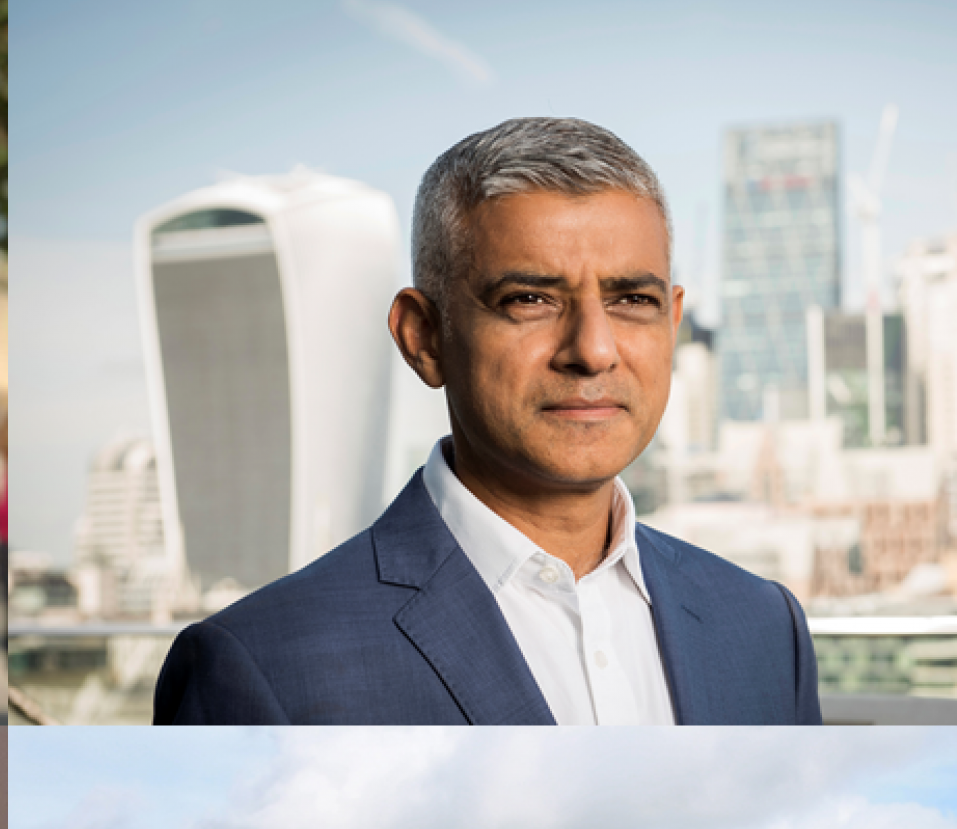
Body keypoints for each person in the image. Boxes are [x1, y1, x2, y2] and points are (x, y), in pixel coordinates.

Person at [155, 117, 821, 726]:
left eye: (631, 299)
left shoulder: (765, 629)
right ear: (423, 336)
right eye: (529, 299)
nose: (592, 349)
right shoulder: (262, 667)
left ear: (673, 324)